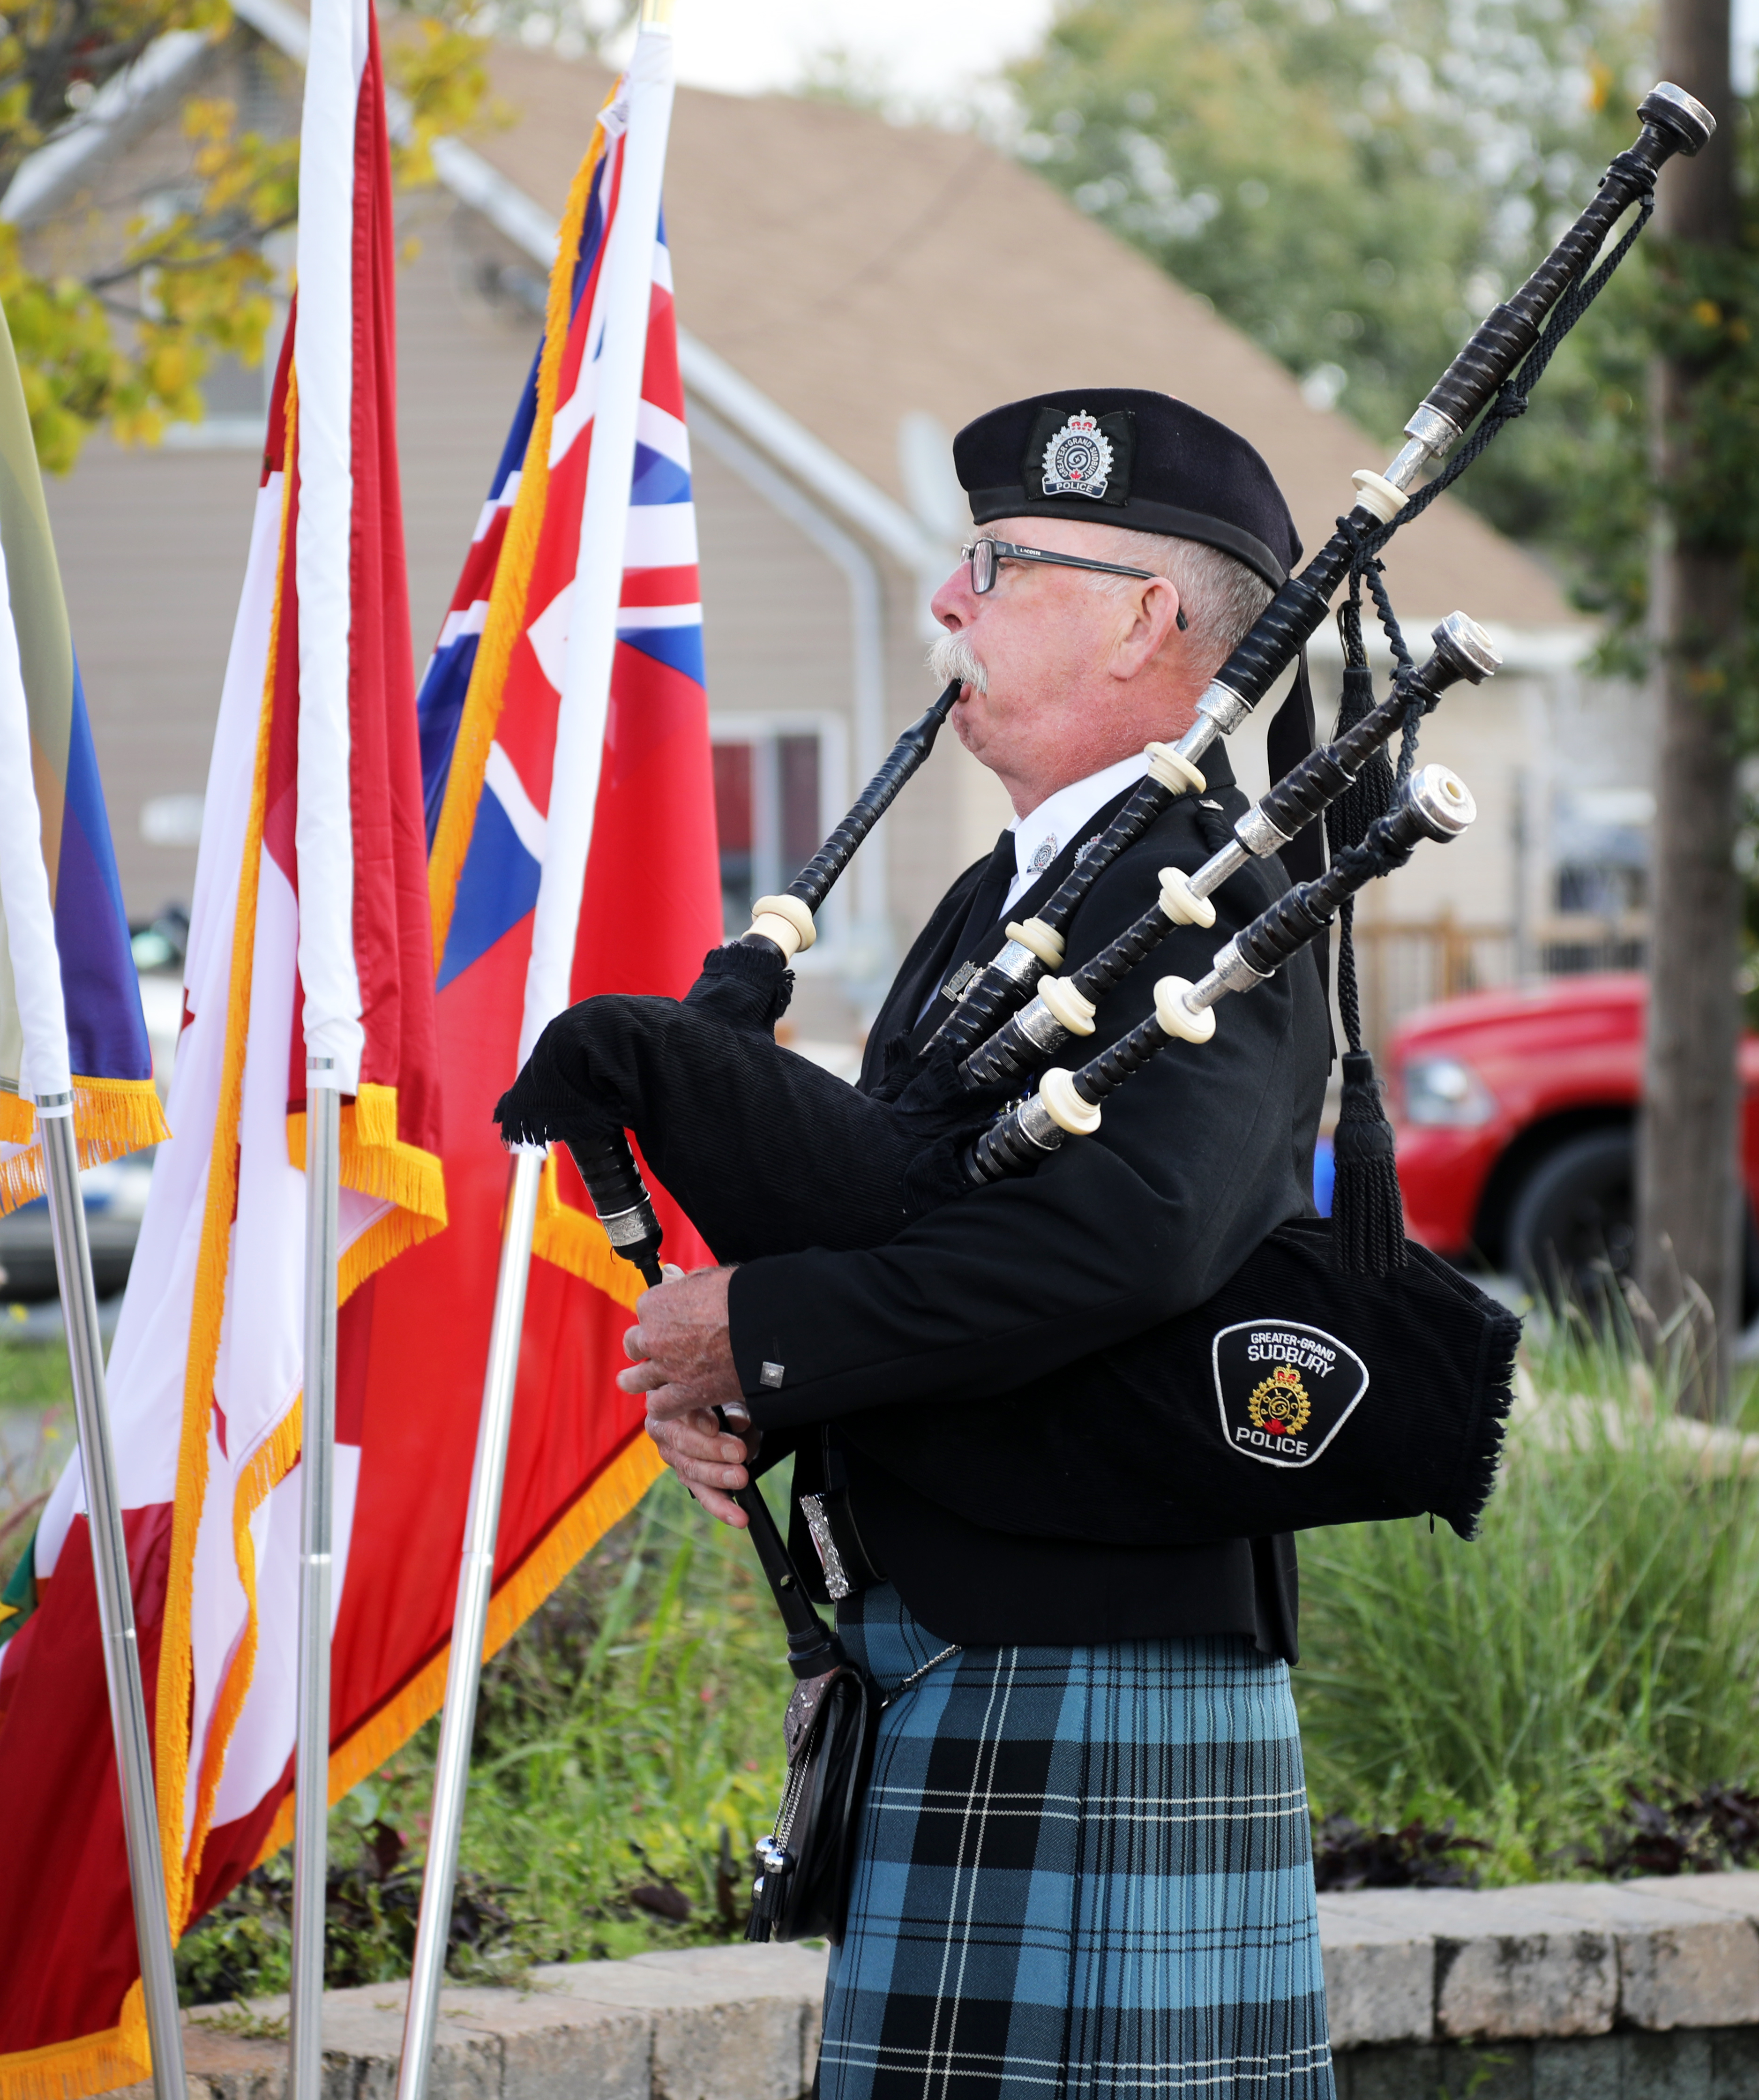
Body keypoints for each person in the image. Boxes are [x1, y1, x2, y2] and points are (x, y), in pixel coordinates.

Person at [615, 388, 1337, 2098]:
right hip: (967, 1634)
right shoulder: (1004, 900)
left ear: (1149, 617)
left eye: (1000, 565)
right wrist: (760, 1390)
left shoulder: (1220, 894)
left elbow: (1129, 1239)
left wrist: (773, 1327)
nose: (949, 600)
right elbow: (939, 1226)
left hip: (1093, 1644)